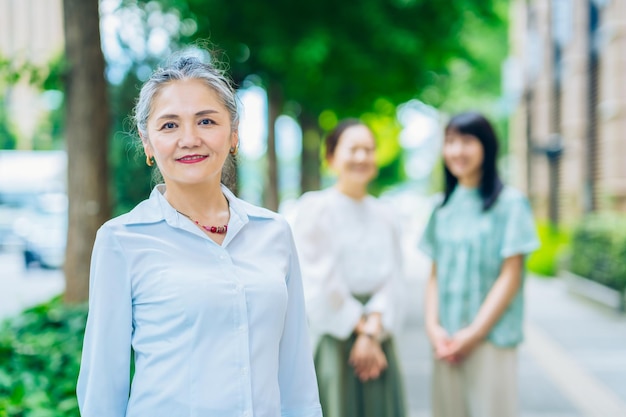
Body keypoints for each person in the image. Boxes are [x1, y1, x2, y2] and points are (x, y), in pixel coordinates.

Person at [76, 51, 322, 417]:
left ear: (234, 134)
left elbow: (296, 374)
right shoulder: (121, 240)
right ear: (147, 142)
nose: (189, 139)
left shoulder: (274, 232)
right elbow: (103, 390)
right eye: (169, 125)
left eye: (206, 121)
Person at [419, 111, 540, 417]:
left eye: (467, 141)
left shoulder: (510, 205)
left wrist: (472, 334)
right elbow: (434, 274)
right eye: (450, 142)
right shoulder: (441, 207)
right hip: (445, 341)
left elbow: (510, 277)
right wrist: (433, 328)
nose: (457, 150)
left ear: (486, 147)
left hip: (490, 340)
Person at [291, 119, 408, 417]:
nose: (362, 157)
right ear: (331, 158)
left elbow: (393, 278)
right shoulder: (315, 209)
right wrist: (361, 327)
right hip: (335, 334)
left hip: (377, 336)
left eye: (368, 150)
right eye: (353, 149)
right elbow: (317, 278)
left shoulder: (386, 214)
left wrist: (372, 332)